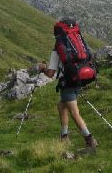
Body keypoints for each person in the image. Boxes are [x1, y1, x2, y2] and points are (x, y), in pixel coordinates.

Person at [38, 21, 98, 149]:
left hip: (67, 82)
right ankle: (64, 136)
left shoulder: (58, 49)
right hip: (79, 77)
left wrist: (42, 68)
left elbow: (50, 74)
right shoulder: (76, 45)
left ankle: (90, 140)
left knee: (74, 112)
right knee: (61, 105)